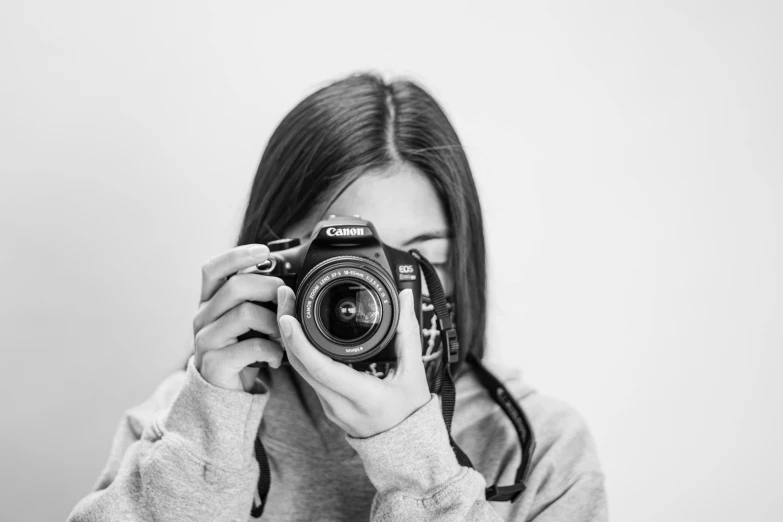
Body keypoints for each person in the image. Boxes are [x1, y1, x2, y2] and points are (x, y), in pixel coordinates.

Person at [67, 72, 608, 521]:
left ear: (461, 265)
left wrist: (416, 463)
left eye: (421, 261)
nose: (379, 294)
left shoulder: (539, 449)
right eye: (345, 263)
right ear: (274, 259)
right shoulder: (183, 420)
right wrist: (208, 436)